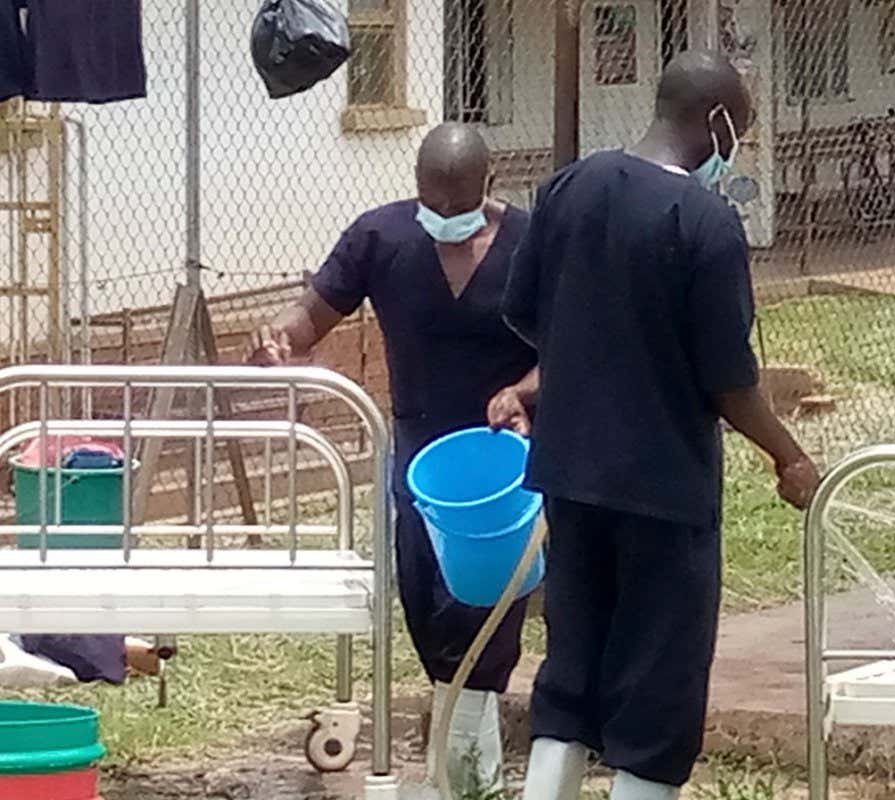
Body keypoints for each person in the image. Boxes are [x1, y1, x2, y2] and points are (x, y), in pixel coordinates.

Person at [491, 50, 821, 799]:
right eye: (740, 128)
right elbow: (730, 383)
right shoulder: (704, 222)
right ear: (716, 121)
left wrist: (588, 363)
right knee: (659, 678)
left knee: (572, 657)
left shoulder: (568, 188)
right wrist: (791, 458)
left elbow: (524, 312)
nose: (738, 143)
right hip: (663, 488)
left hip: (570, 474)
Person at [246, 122, 538, 791]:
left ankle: (469, 773)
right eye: (431, 201)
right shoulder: (381, 238)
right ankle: (457, 764)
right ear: (415, 189)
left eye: (457, 202)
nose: (444, 216)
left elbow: (571, 346)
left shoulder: (531, 245)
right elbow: (312, 316)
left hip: (500, 458)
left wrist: (524, 390)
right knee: (425, 605)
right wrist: (281, 341)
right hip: (416, 454)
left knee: (485, 609)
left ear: (489, 188)